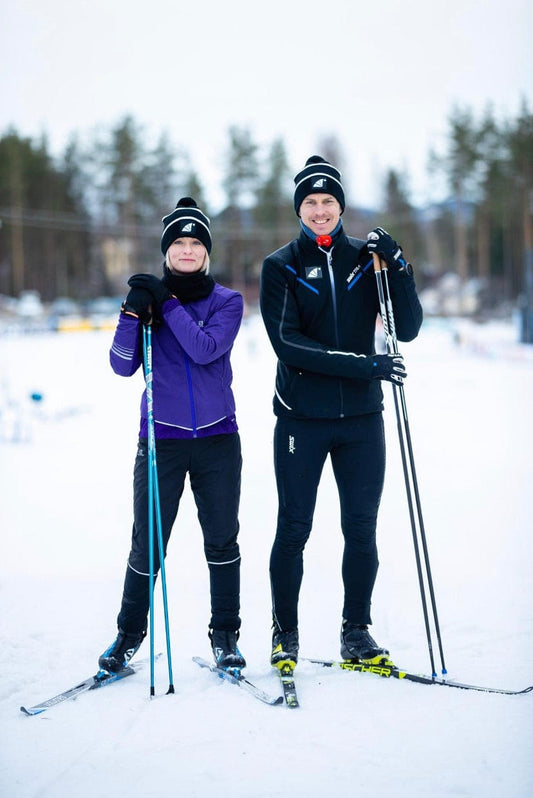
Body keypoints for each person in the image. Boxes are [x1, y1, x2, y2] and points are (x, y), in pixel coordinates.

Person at [259, 156, 423, 670]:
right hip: (301, 419)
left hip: (360, 420)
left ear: (341, 206)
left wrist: (399, 266)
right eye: (310, 202)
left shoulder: (364, 260)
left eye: (328, 201)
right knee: (294, 528)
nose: (320, 210)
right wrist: (365, 365)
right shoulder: (280, 266)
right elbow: (288, 344)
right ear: (299, 209)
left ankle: (356, 632)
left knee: (361, 527)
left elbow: (408, 327)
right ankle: (285, 633)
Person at [99, 197, 246, 674]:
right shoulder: (149, 302)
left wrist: (167, 302)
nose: (187, 250)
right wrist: (131, 312)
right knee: (148, 544)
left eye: (196, 243)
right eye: (178, 242)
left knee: (221, 541)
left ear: (207, 251)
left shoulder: (227, 302)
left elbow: (205, 350)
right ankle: (127, 636)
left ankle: (225, 635)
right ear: (166, 251)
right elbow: (121, 364)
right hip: (161, 441)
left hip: (218, 440)